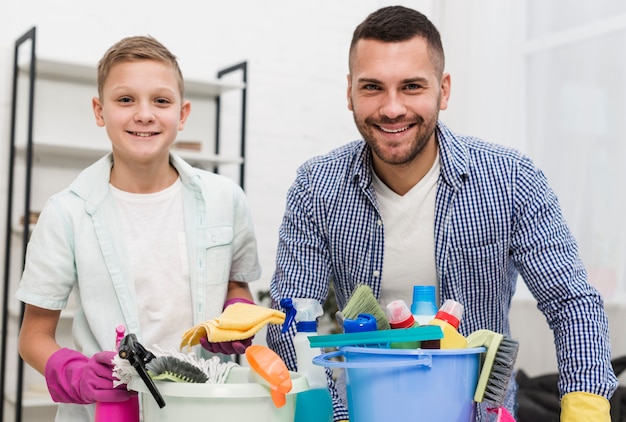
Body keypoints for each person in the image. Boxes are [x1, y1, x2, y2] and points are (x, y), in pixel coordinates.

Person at [267, 5, 618, 422]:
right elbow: (290, 319)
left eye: (412, 86)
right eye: (372, 87)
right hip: (359, 411)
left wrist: (586, 407)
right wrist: (332, 407)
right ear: (349, 92)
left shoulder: (511, 180)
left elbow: (571, 303)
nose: (392, 108)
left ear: (444, 89)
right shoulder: (317, 187)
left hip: (478, 414)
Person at [16, 35, 261, 421]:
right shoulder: (66, 212)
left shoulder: (225, 199)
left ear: (182, 114)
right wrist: (73, 372)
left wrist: (236, 311)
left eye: (161, 101)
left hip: (206, 405)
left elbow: (236, 283)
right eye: (125, 99)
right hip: (107, 411)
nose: (144, 114)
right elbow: (33, 336)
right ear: (100, 111)